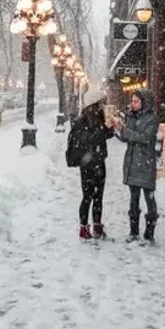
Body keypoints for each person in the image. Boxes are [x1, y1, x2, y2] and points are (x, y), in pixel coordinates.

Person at [111, 88, 160, 243]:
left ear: (144, 102)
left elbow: (145, 138)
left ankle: (149, 232)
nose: (132, 104)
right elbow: (127, 139)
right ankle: (133, 232)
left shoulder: (152, 119)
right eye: (132, 101)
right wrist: (117, 130)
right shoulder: (131, 117)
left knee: (149, 198)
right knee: (134, 200)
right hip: (132, 163)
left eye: (135, 101)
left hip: (145, 163)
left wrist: (125, 131)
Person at [67, 88, 115, 239]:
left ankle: (97, 226)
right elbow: (89, 140)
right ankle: (83, 228)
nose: (102, 106)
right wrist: (104, 128)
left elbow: (103, 136)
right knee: (87, 196)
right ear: (93, 104)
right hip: (87, 165)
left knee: (98, 197)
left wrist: (111, 127)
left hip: (99, 162)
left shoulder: (99, 118)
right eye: (100, 103)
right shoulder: (82, 122)